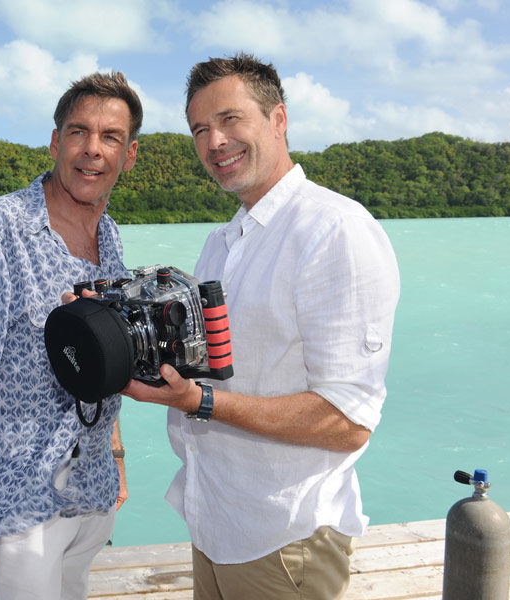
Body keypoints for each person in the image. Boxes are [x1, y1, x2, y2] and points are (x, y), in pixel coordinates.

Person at [122, 53, 400, 599]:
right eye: (199, 129)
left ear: (279, 120)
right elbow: (210, 366)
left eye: (231, 120)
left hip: (286, 539)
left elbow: (348, 420)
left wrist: (200, 403)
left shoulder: (333, 230)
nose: (215, 142)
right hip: (214, 526)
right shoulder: (221, 244)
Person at [0, 71, 140, 599]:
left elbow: (101, 359)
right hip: (20, 502)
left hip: (91, 489)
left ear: (129, 156)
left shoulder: (110, 236)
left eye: (110, 137)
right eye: (78, 132)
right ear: (54, 143)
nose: (92, 150)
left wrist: (114, 458)